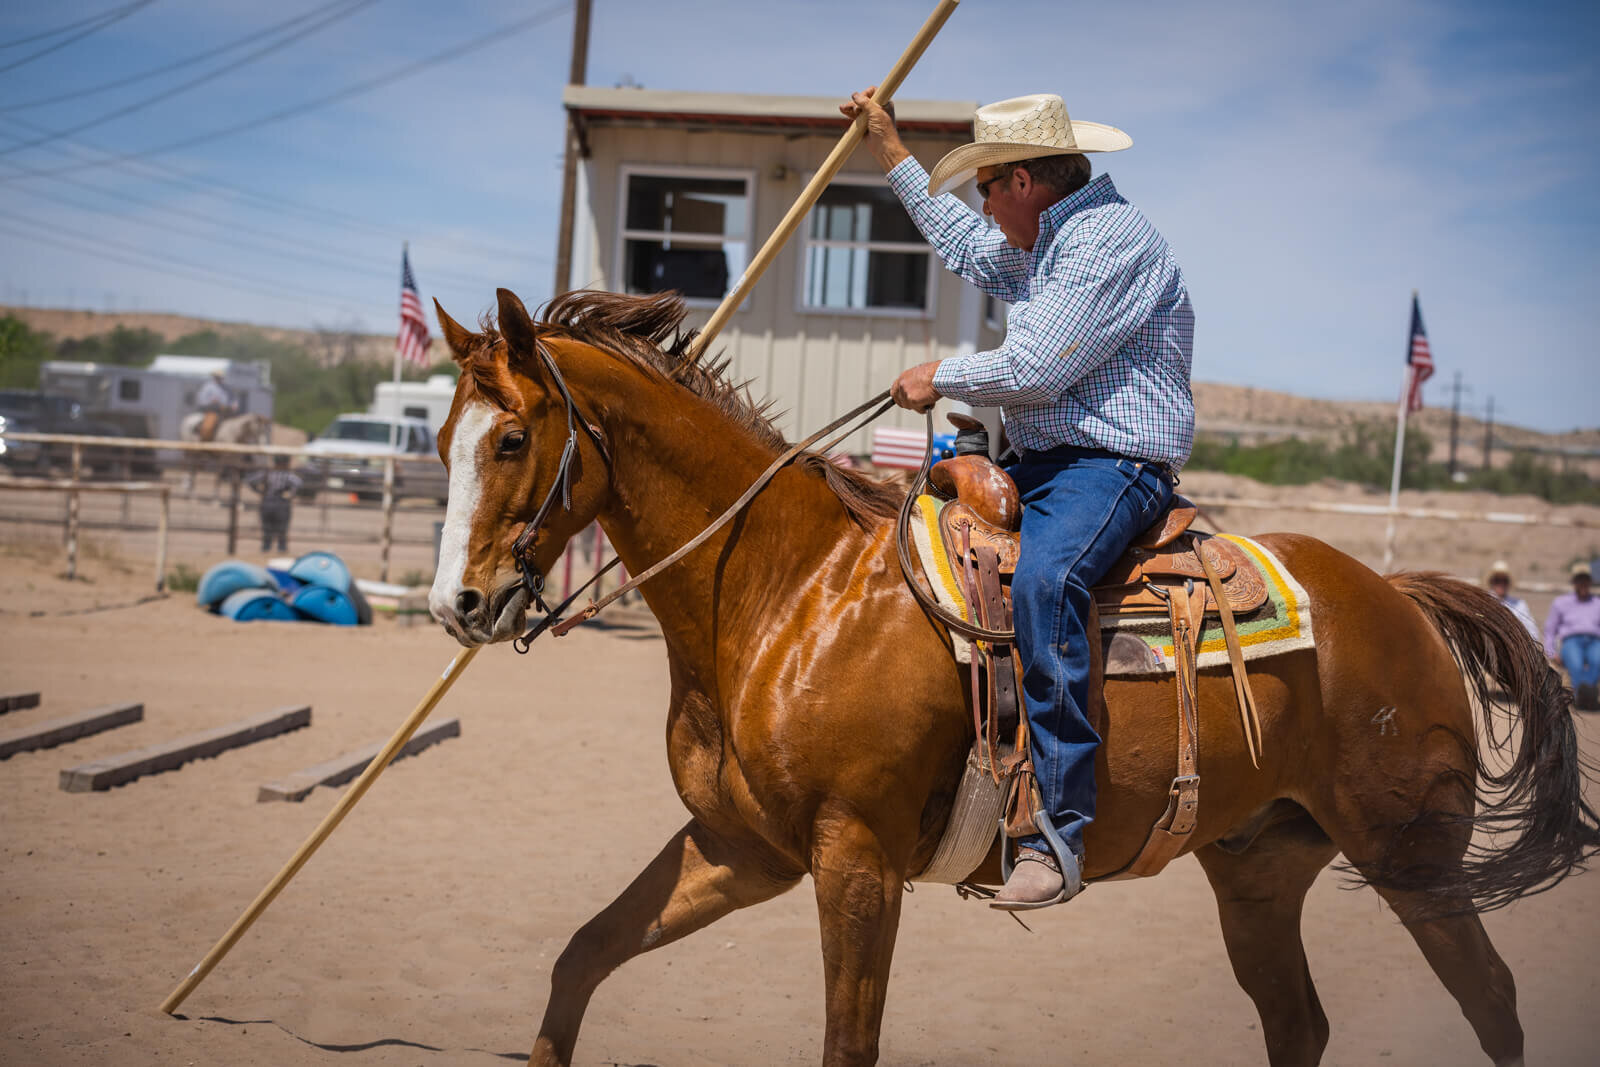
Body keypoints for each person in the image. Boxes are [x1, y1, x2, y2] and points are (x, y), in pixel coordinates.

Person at [842, 88, 1193, 909]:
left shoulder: (1108, 242)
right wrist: (889, 150)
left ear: (1024, 180)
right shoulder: (1048, 238)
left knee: (1045, 580)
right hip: (1040, 461)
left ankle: (1059, 829)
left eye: (987, 188)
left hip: (1110, 467)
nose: (985, 208)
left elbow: (1035, 366)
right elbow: (966, 246)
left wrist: (941, 374)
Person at [1545, 561, 1600, 711]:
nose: (1583, 583)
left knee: (1597, 660)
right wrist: (1551, 652)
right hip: (1571, 641)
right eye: (1579, 579)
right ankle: (1585, 696)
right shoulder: (1561, 603)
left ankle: (1583, 695)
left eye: (1585, 579)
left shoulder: (1597, 603)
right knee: (1575, 663)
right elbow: (1550, 629)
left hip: (1595, 641)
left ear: (1590, 581)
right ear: (1574, 582)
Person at [246, 455, 303, 554]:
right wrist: (291, 494)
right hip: (282, 503)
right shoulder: (288, 475)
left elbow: (250, 481)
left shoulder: (267, 473)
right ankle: (281, 548)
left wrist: (260, 491)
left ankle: (266, 547)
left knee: (267, 527)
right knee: (282, 527)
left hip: (267, 502)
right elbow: (299, 483)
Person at [1485, 560, 1540, 644]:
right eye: (1497, 580)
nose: (1501, 584)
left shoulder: (1520, 604)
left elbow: (1532, 630)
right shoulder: (1485, 602)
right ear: (1492, 582)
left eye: (1504, 581)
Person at [194, 369, 236, 443]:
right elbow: (201, 400)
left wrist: (234, 404)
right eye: (218, 377)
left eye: (220, 377)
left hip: (226, 411)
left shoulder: (227, 388)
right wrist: (211, 401)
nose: (219, 379)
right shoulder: (208, 387)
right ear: (214, 377)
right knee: (208, 426)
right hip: (212, 410)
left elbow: (232, 399)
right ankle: (204, 441)